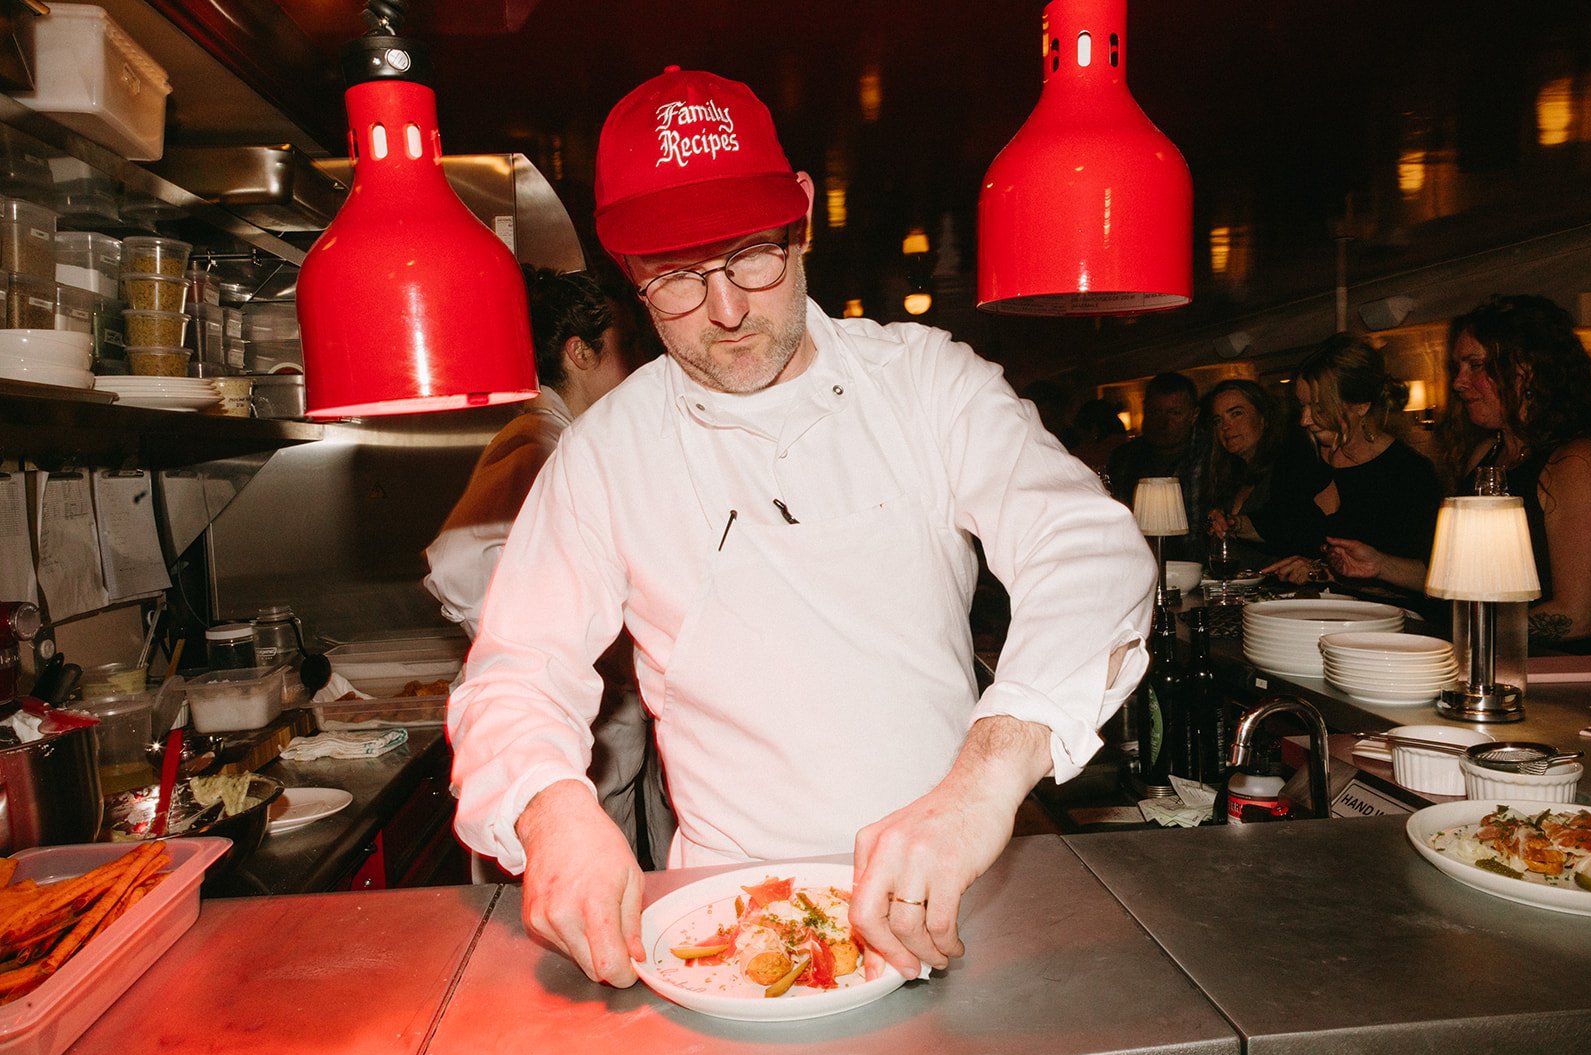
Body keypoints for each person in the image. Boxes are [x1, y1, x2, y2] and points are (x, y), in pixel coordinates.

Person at [447, 66, 1155, 988]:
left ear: (804, 217)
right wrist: (549, 810)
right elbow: (515, 670)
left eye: (752, 255)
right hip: (728, 922)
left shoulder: (925, 383)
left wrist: (986, 780)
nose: (728, 309)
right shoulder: (605, 454)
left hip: (950, 894)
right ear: (627, 273)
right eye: (676, 279)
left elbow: (1090, 554)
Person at [424, 266, 674, 868]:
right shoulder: (538, 442)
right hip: (552, 749)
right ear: (579, 351)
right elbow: (456, 563)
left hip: (593, 739)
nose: (638, 364)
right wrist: (545, 635)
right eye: (626, 346)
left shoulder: (577, 439)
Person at [1331, 296, 1591, 651]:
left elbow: (1576, 616)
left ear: (1528, 369)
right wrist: (1380, 566)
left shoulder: (1576, 461)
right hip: (1482, 662)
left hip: (1553, 679)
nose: (1459, 383)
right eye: (1458, 367)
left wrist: (1463, 636)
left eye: (1476, 366)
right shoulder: (1485, 455)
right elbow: (1462, 578)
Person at [1262, 335, 1442, 600]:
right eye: (1303, 405)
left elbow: (1432, 578)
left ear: (1361, 406)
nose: (1304, 419)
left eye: (1319, 408)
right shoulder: (1303, 459)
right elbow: (1278, 528)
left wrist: (1321, 572)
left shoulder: (1409, 473)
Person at [1198, 379, 1326, 563]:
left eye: (1236, 413)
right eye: (1218, 420)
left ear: (1264, 418)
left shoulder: (1292, 461)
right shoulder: (1224, 474)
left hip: (1283, 585)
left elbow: (1289, 527)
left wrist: (1235, 524)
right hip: (1233, 586)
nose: (1226, 426)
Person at [1107, 372, 1205, 547]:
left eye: (1174, 413)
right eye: (1155, 412)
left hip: (1198, 566)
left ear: (1194, 415)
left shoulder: (1210, 455)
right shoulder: (1125, 458)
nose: (1163, 422)